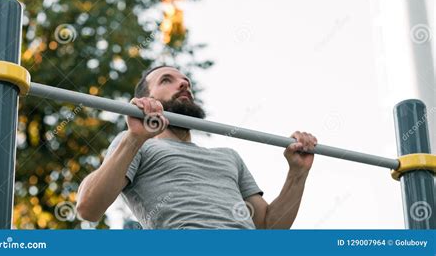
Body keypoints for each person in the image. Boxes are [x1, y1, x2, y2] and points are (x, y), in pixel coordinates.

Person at [76, 66, 318, 229]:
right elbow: (88, 207)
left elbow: (268, 227)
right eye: (166, 80)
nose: (183, 84)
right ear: (147, 98)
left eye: (185, 81)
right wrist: (134, 138)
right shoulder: (136, 144)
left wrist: (298, 174)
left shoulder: (228, 157)